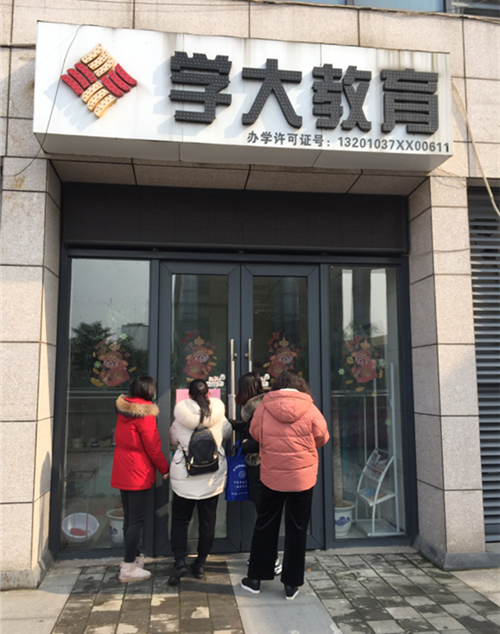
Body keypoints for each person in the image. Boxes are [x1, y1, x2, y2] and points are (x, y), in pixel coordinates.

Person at [241, 369, 330, 601]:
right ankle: (291, 584)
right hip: (302, 477)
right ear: (300, 385)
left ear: (278, 386)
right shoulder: (310, 408)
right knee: (297, 528)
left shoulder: (264, 407)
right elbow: (322, 437)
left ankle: (255, 579)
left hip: (272, 477)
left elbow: (255, 433)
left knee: (265, 525)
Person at [168, 378, 232, 585]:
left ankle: (179, 561)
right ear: (208, 394)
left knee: (180, 520)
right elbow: (227, 434)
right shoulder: (219, 415)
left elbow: (173, 440)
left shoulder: (180, 418)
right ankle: (201, 563)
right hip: (210, 477)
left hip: (185, 477)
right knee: (207, 521)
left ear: (189, 395)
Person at [111, 375, 169, 583]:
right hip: (138, 471)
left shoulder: (123, 411)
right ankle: (128, 568)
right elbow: (153, 447)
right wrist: (164, 468)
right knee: (136, 521)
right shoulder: (145, 415)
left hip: (122, 469)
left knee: (129, 518)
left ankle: (133, 558)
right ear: (149, 391)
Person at [231, 371, 281, 576]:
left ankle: (273, 560)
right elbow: (251, 429)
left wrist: (245, 444)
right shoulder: (263, 406)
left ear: (245, 389)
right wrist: (234, 424)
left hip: (261, 466)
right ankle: (263, 556)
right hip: (265, 466)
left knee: (264, 517)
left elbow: (262, 439)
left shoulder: (257, 409)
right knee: (264, 516)